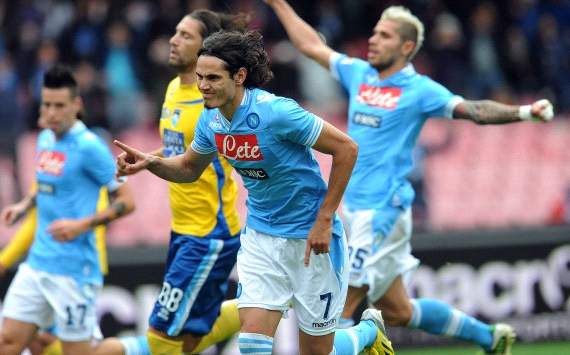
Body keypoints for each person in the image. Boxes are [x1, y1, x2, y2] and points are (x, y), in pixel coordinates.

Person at [263, 1, 554, 354]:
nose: (373, 40)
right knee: (398, 310)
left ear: (405, 47)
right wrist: (279, 3)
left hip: (382, 210)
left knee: (337, 306)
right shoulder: (359, 74)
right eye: (374, 33)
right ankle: (491, 337)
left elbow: (474, 110)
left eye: (383, 36)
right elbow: (312, 46)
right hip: (353, 206)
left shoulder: (420, 90)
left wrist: (525, 112)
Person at [113, 30, 395, 355]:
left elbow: (347, 149)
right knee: (252, 345)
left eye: (213, 78)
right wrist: (150, 163)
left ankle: (368, 333)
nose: (203, 85)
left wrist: (325, 217)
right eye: (200, 76)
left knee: (318, 352)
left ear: (240, 76)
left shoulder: (277, 113)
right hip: (261, 238)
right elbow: (189, 168)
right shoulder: (211, 121)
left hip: (311, 239)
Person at [0, 65, 136, 355]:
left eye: (59, 105)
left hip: (74, 271)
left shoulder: (91, 147)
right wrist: (24, 205)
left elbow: (126, 201)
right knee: (8, 342)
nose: (51, 112)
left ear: (77, 105)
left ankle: (132, 349)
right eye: (46, 104)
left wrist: (81, 225)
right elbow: (46, 182)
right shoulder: (45, 138)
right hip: (38, 263)